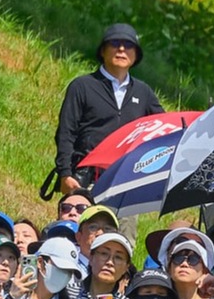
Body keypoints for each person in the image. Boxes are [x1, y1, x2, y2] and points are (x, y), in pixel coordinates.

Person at [54, 24, 163, 196]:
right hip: (84, 180)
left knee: (124, 225)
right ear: (103, 51)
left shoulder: (144, 92)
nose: (121, 49)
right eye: (114, 43)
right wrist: (65, 173)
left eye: (128, 45)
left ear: (136, 55)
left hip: (126, 183)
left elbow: (164, 129)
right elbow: (66, 133)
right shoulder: (82, 86)